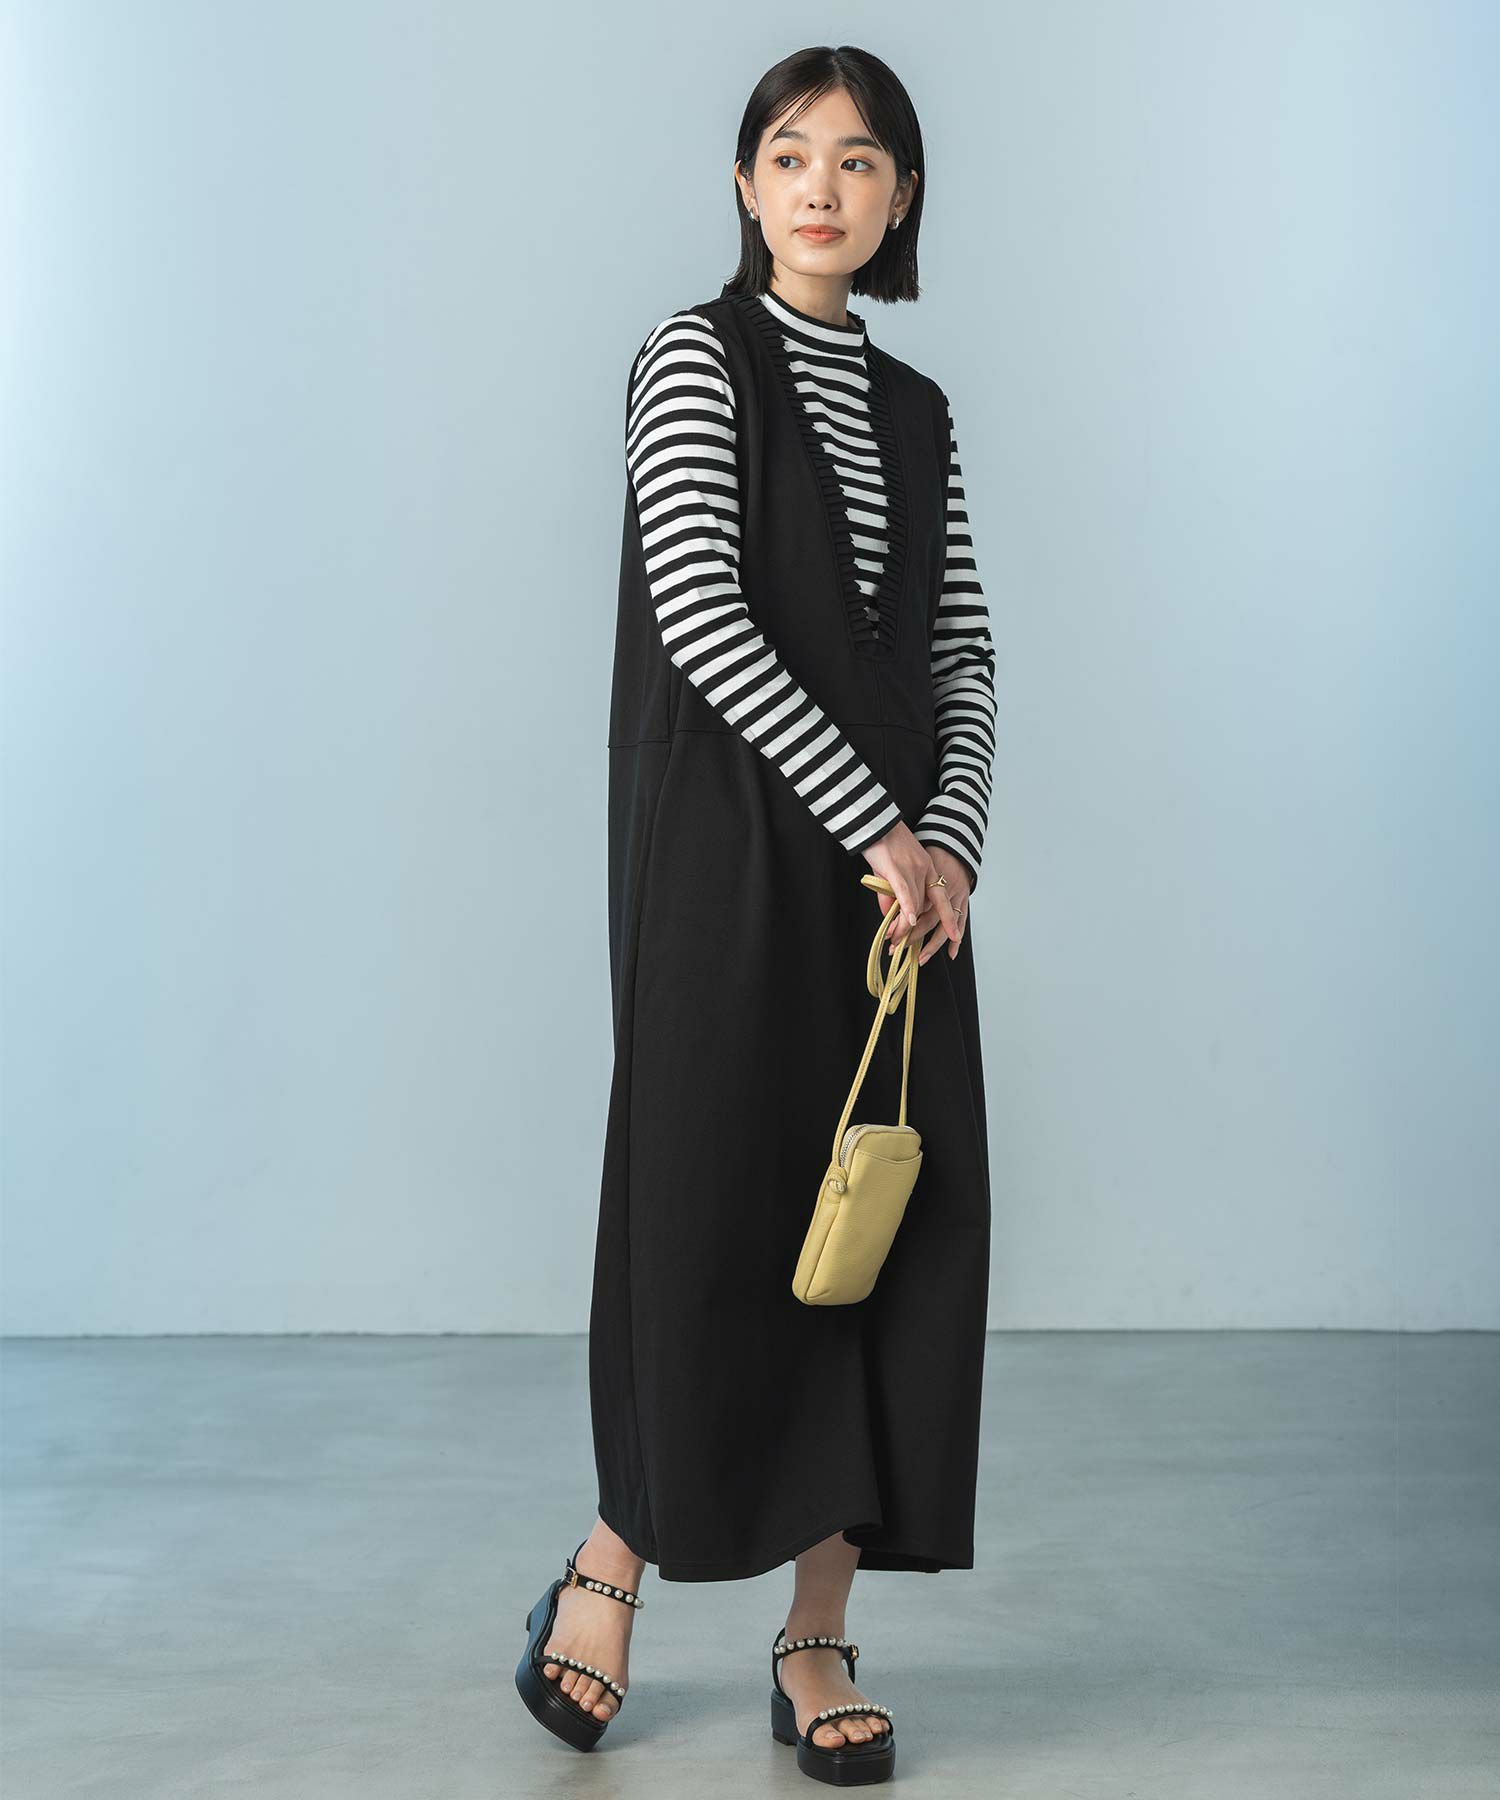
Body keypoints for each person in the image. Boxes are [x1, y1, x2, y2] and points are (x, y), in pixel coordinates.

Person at [515, 45, 997, 1785]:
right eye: (790, 154)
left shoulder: (920, 410)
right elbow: (702, 612)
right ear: (743, 182)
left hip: (899, 891)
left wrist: (949, 846)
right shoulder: (694, 357)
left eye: (860, 160)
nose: (822, 187)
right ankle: (611, 1563)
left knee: (884, 1223)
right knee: (707, 1206)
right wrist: (883, 828)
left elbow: (961, 648)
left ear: (902, 195)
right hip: (730, 851)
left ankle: (816, 1630)